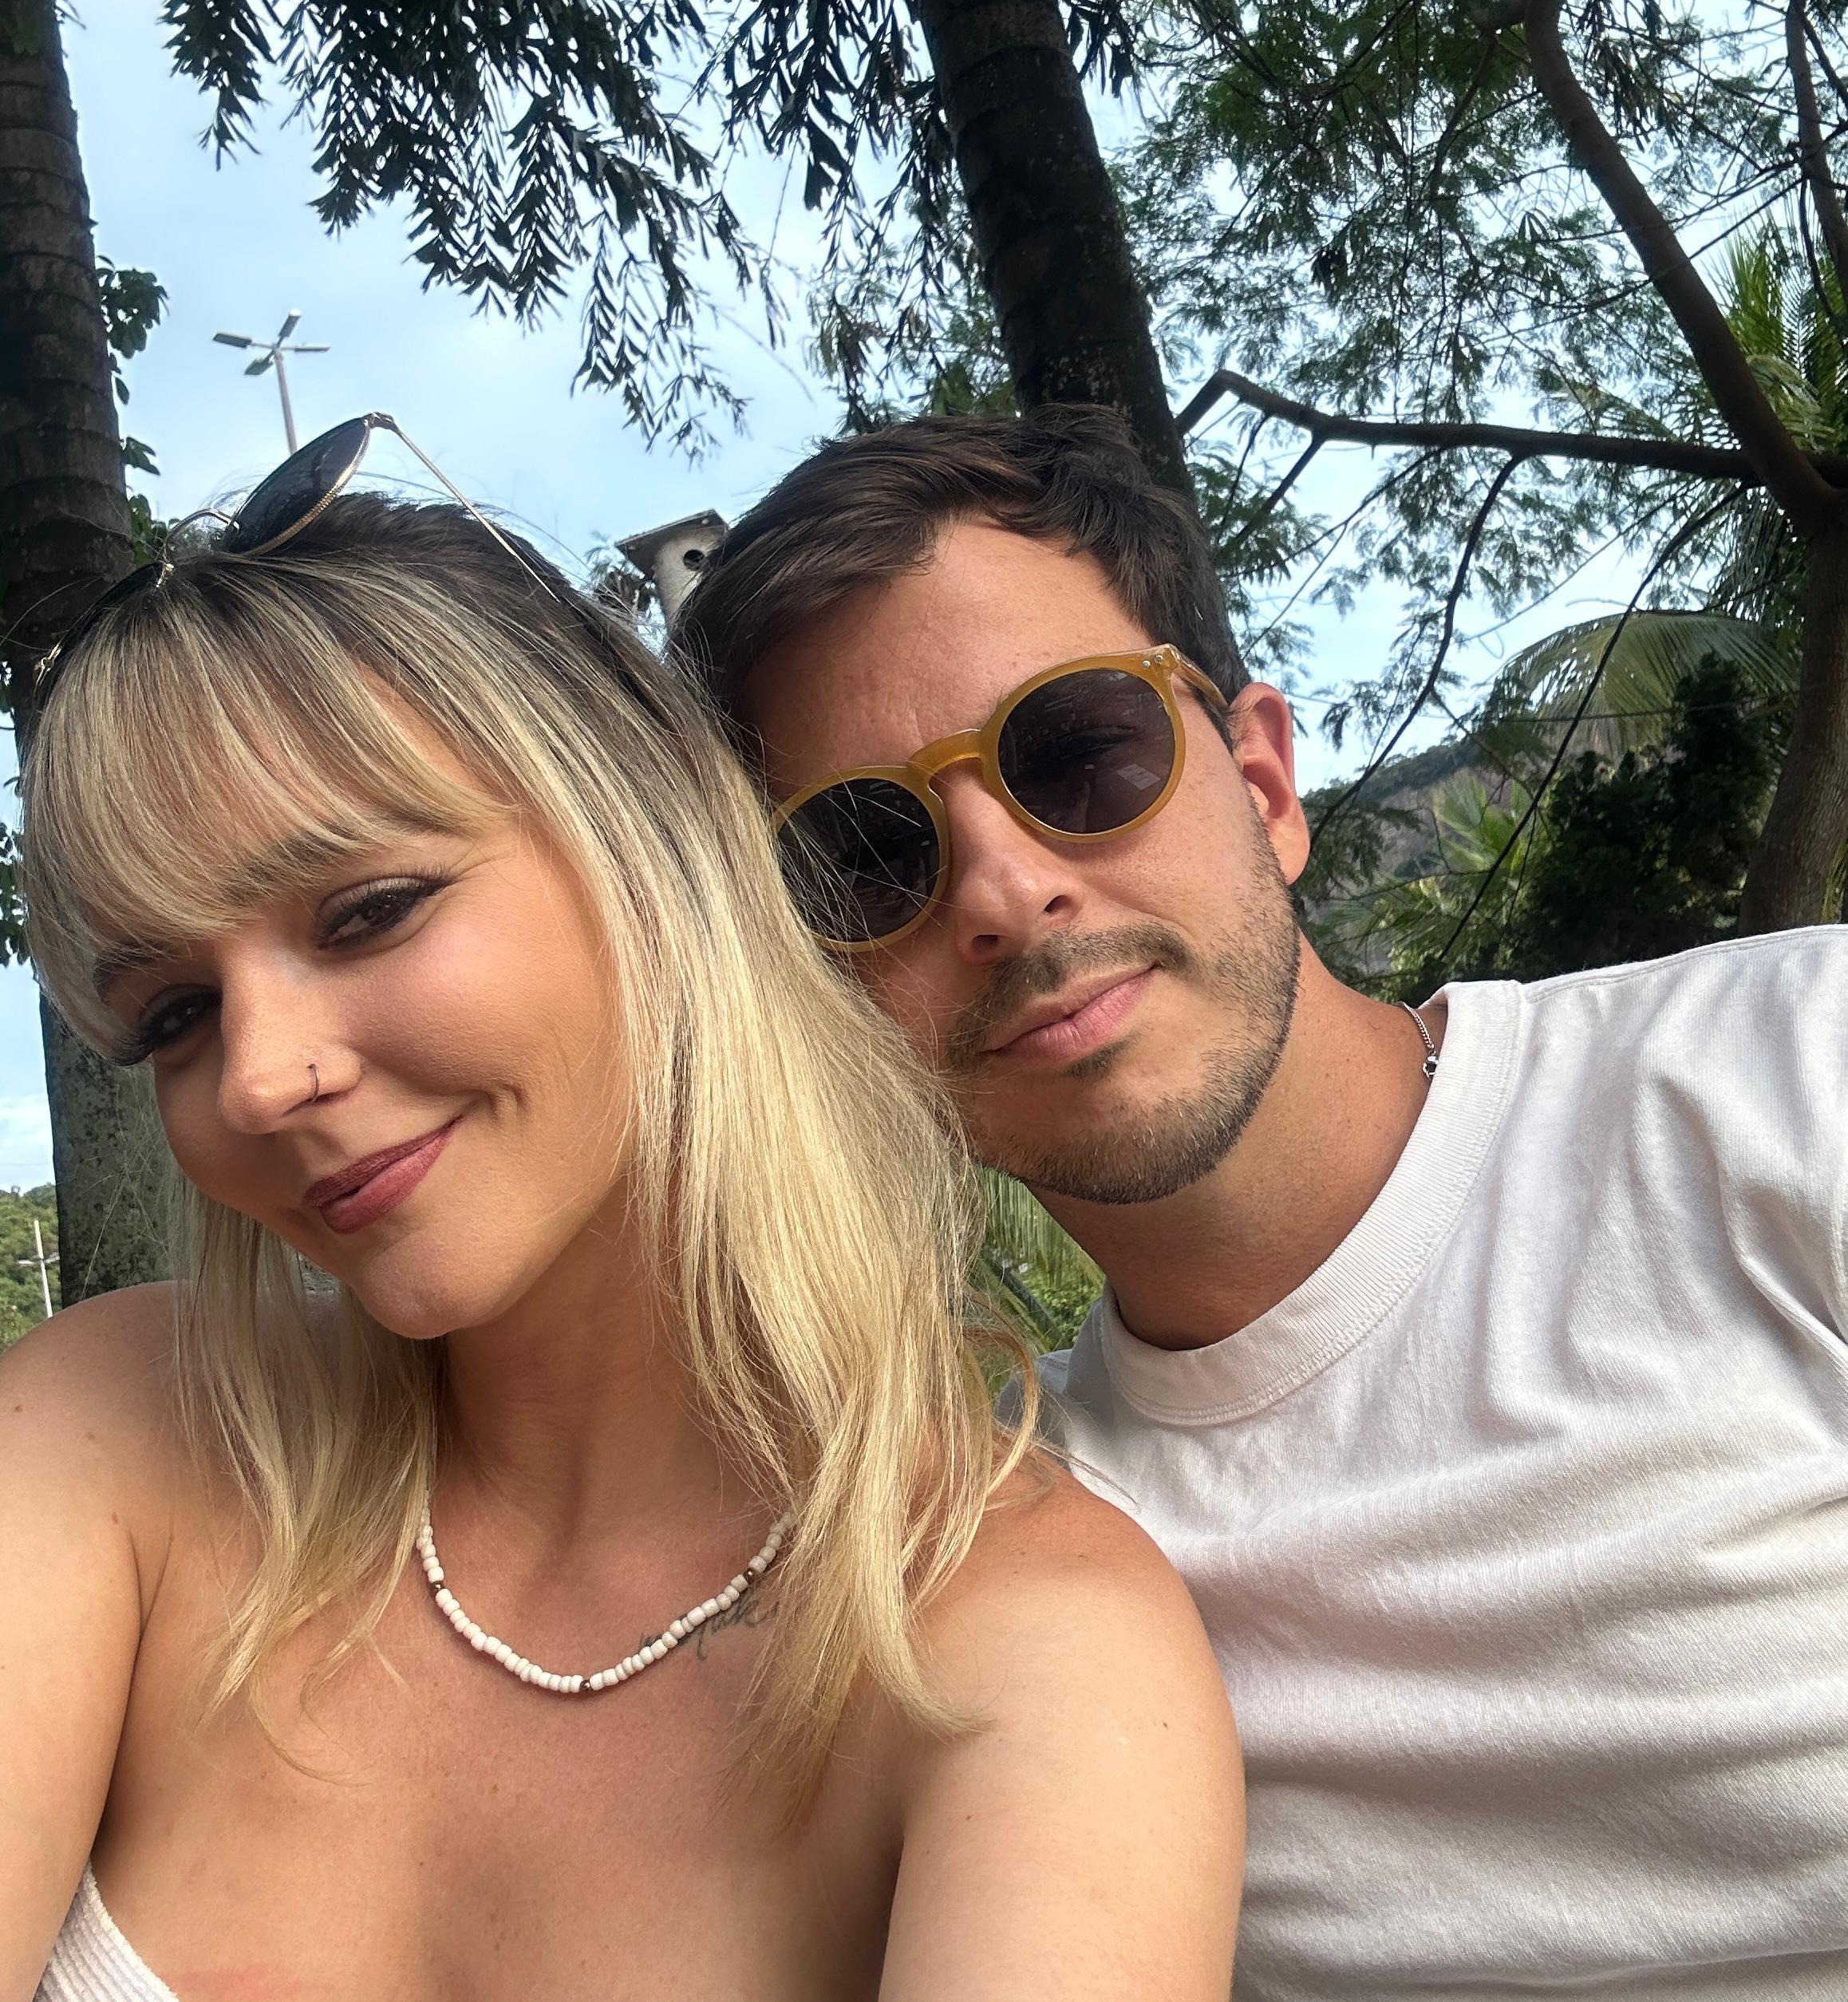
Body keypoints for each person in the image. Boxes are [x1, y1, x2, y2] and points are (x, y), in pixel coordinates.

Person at [1, 424, 1241, 2002]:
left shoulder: (1030, 1644)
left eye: (369, 909)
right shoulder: (119, 1433)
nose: (255, 1079)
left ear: (655, 844)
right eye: (175, 1013)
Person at [675, 402, 1848, 2002]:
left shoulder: (1787, 1078)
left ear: (1265, 784)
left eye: (1077, 752)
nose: (1007, 890)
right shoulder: (1011, 1571)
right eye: (869, 856)